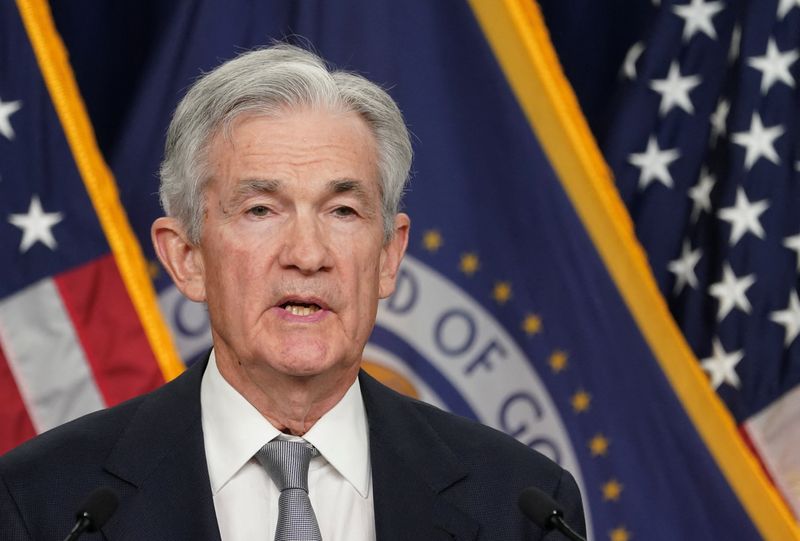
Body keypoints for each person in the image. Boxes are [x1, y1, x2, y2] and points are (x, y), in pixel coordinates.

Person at [0, 44, 585, 540]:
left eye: (343, 210)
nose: (307, 254)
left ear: (387, 256)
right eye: (261, 209)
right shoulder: (43, 504)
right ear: (187, 257)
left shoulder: (522, 506)